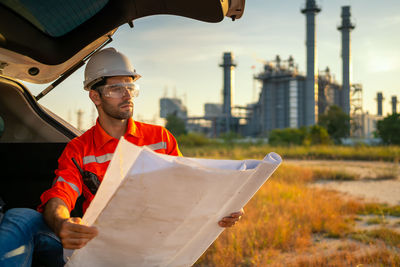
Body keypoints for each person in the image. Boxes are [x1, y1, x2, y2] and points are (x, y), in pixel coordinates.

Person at [0, 48, 244, 266]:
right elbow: (60, 197)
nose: (127, 95)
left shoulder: (160, 138)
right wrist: (63, 224)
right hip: (92, 247)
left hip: (148, 247)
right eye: (116, 88)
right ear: (95, 97)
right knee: (20, 218)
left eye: (130, 87)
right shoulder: (79, 149)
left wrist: (221, 209)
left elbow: (190, 190)